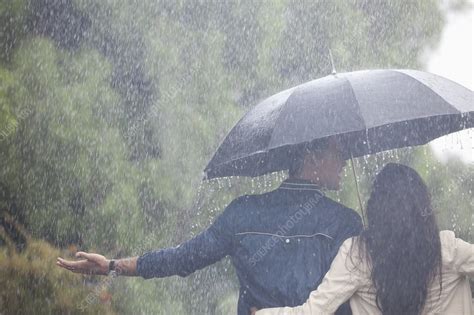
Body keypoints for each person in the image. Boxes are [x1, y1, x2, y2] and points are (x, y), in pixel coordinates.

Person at [56, 137, 363, 315]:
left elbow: (184, 258)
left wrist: (113, 266)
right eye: (340, 153)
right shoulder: (346, 222)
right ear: (313, 157)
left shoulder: (244, 212)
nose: (346, 161)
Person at [254, 163, 474, 315]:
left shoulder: (357, 254)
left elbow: (314, 311)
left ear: (374, 208)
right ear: (422, 208)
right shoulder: (446, 249)